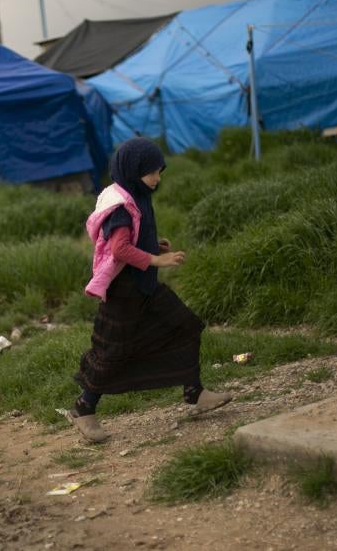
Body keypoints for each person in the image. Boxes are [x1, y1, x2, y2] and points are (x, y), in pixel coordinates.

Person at [69, 138, 231, 443]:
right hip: (124, 293)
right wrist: (158, 259)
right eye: (151, 173)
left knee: (185, 325)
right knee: (112, 353)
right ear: (132, 171)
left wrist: (151, 245)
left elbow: (132, 241)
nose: (157, 178)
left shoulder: (137, 194)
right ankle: (83, 408)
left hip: (145, 288)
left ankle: (194, 392)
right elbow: (119, 250)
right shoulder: (120, 206)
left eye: (159, 171)